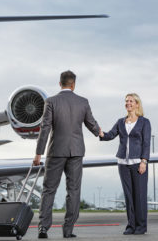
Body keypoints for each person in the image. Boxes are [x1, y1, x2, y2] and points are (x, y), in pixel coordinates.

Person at [33, 70, 100, 239]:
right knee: (74, 190)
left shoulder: (51, 102)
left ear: (60, 83)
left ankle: (43, 228)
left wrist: (38, 153)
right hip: (76, 152)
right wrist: (101, 133)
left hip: (56, 151)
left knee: (49, 190)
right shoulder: (83, 102)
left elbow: (45, 128)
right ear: (73, 84)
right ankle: (68, 230)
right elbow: (91, 124)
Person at [99, 93, 151, 235]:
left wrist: (144, 161)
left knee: (139, 195)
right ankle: (131, 226)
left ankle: (141, 226)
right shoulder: (120, 121)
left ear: (137, 104)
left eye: (131, 101)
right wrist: (101, 133)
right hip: (122, 163)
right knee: (128, 196)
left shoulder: (144, 122)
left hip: (138, 163)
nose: (128, 103)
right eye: (126, 101)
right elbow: (110, 135)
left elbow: (146, 144)